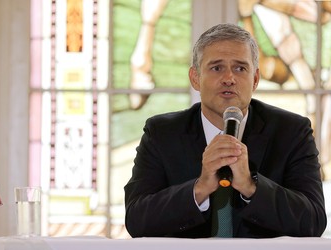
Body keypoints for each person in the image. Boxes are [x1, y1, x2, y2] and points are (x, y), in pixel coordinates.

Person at [124, 23, 327, 238]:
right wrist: (200, 188)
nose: (229, 78)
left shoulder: (292, 132)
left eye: (240, 68)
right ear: (195, 78)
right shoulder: (161, 133)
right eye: (217, 67)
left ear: (255, 79)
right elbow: (137, 220)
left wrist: (250, 186)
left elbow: (313, 221)